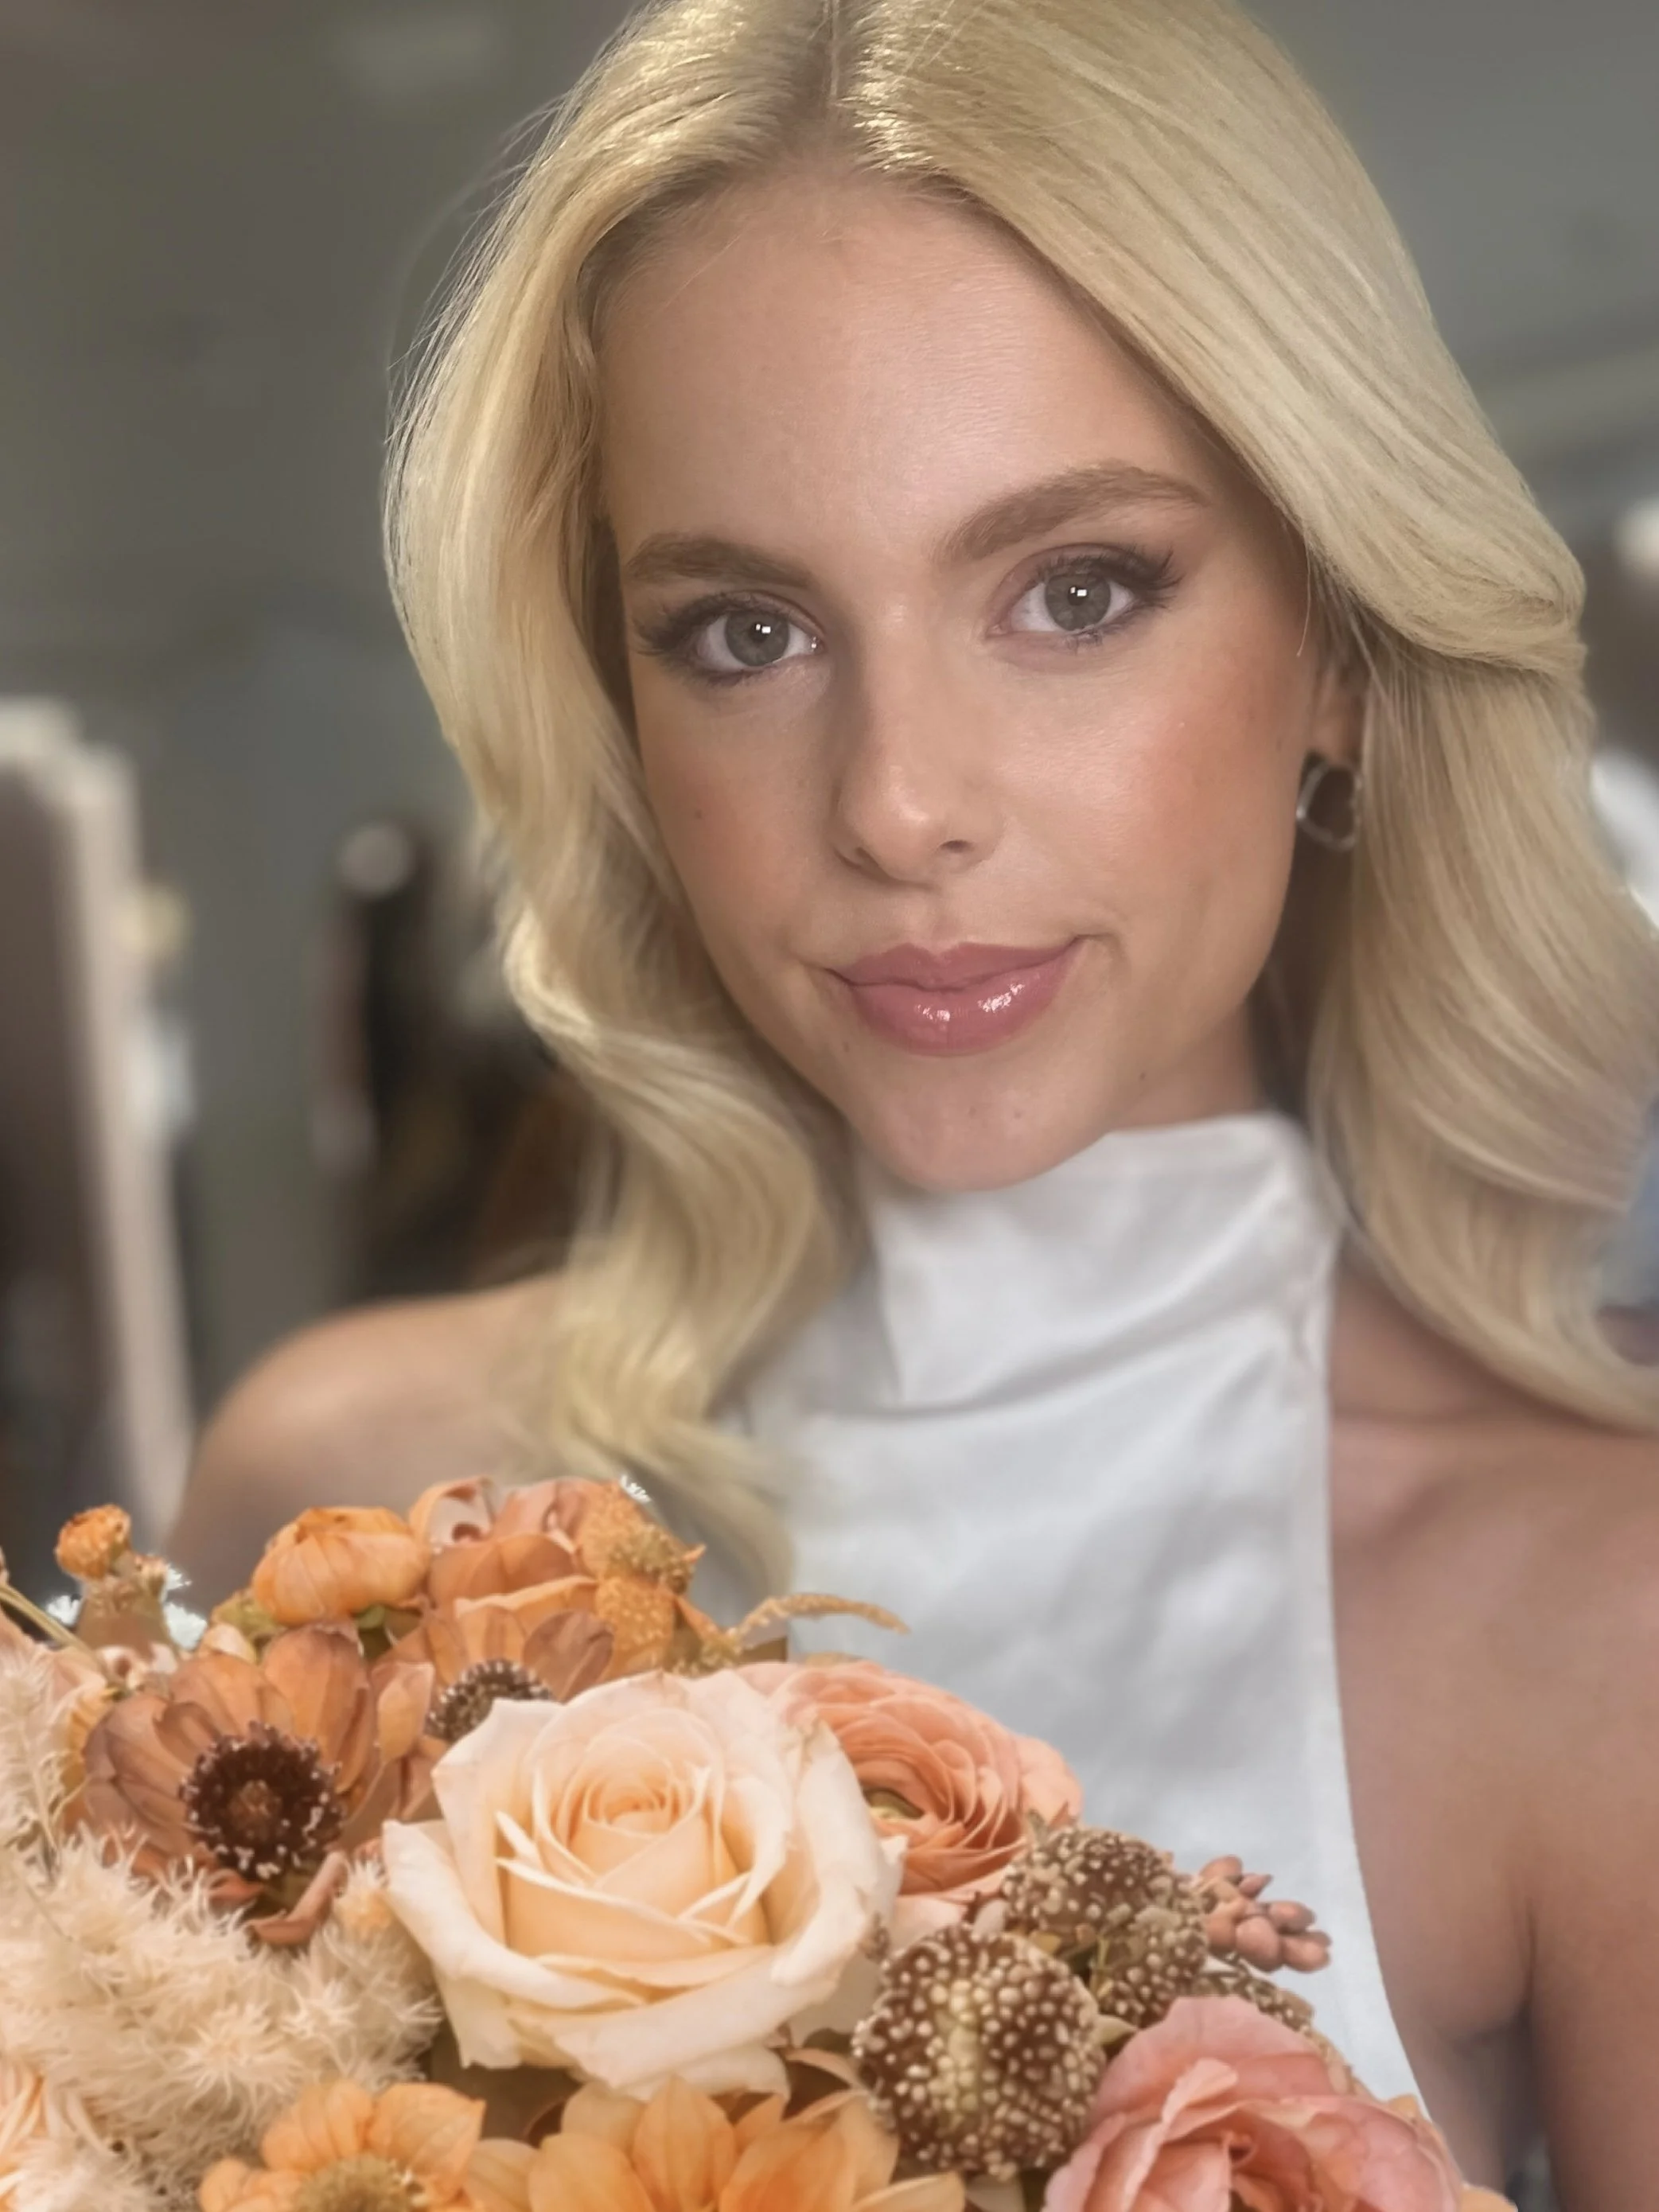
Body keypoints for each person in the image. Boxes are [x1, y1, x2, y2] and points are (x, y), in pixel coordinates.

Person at [169, 0, 1659, 2197]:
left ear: (1339, 647)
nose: (893, 802)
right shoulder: (352, 1526)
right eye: (744, 633)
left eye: (1076, 591)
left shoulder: (1601, 1613)